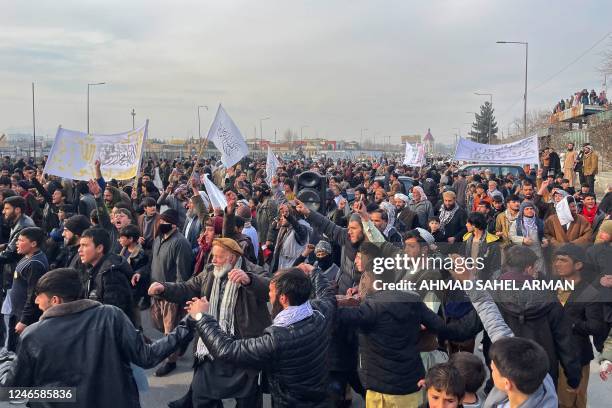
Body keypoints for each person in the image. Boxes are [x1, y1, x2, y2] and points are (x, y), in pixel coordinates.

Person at [2, 268, 192, 408]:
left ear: (55, 300)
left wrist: (6, 365)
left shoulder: (34, 335)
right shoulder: (111, 315)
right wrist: (189, 323)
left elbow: (14, 391)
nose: (35, 301)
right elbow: (147, 356)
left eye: (38, 296)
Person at [148, 238, 271, 408]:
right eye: (213, 256)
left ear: (232, 258)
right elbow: (188, 287)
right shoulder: (210, 271)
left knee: (247, 401)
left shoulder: (254, 271)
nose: (213, 260)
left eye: (218, 257)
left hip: (243, 349)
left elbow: (270, 290)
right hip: (211, 345)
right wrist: (164, 288)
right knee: (201, 397)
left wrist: (250, 280)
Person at [554, 244, 607, 408]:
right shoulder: (553, 285)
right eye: (556, 260)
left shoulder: (589, 292)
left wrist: (572, 324)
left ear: (578, 265)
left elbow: (596, 326)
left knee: (574, 401)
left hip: (576, 355)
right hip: (554, 354)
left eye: (563, 260)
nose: (557, 264)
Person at [149, 208, 194, 377]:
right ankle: (184, 338)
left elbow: (182, 274)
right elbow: (153, 263)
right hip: (157, 292)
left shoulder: (180, 243)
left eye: (164, 222)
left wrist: (177, 295)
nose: (160, 224)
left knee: (170, 329)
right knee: (159, 324)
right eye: (159, 221)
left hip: (171, 294)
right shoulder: (158, 240)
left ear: (173, 225)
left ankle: (170, 361)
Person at [2, 227, 48, 351]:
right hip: (16, 311)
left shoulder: (35, 264)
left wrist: (24, 320)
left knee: (22, 350)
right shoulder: (26, 257)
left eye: (21, 240)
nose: (17, 243)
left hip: (24, 316)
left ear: (33, 244)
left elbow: (33, 294)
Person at [509, 201, 548, 275]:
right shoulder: (517, 223)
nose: (530, 210)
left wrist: (544, 240)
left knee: (539, 274)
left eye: (531, 208)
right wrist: (522, 240)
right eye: (526, 209)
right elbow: (511, 236)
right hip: (523, 254)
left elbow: (545, 234)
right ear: (522, 211)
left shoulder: (540, 222)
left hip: (538, 253)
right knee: (524, 274)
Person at [462, 212, 501, 280]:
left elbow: (496, 266)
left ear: (474, 225)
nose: (466, 225)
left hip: (485, 281)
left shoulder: (492, 242)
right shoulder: (467, 239)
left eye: (468, 223)